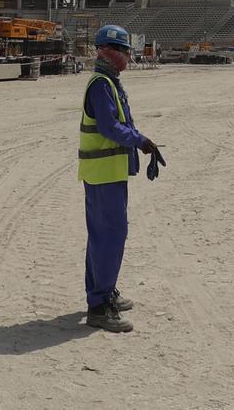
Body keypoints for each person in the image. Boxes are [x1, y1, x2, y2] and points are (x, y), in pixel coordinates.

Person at [79, 24, 165, 333]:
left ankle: (102, 290)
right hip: (103, 175)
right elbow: (109, 127)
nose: (127, 57)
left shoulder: (109, 82)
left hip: (108, 173)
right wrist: (141, 141)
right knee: (109, 236)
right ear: (106, 51)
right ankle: (99, 305)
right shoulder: (102, 84)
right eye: (123, 51)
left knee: (103, 235)